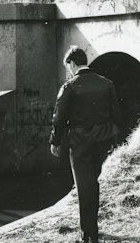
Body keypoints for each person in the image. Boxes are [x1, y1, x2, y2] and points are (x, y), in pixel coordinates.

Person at [49, 46, 122, 243]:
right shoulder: (107, 83)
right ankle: (92, 230)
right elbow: (116, 114)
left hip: (80, 143)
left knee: (83, 187)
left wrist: (55, 142)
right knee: (93, 183)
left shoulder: (70, 86)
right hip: (102, 141)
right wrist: (115, 139)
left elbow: (59, 118)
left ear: (72, 63)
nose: (69, 71)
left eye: (68, 67)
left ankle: (88, 235)